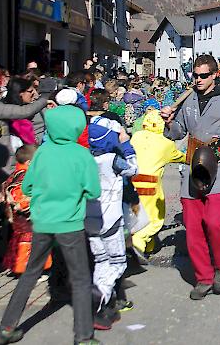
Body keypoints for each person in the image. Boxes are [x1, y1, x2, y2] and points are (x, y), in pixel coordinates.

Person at [0, 105, 102, 345]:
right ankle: (83, 336)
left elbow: (27, 188)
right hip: (70, 223)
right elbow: (94, 191)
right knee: (81, 278)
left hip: (42, 222)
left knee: (30, 274)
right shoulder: (81, 155)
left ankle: (5, 328)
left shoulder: (42, 153)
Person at [160, 55, 220, 300]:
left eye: (203, 75)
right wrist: (169, 122)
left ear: (214, 75)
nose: (198, 80)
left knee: (214, 222)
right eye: (195, 75)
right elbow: (177, 131)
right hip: (193, 166)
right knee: (192, 226)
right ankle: (203, 277)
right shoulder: (188, 99)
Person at [86, 113, 138, 330]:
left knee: (100, 261)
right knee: (117, 262)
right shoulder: (112, 160)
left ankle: (100, 301)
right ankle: (98, 297)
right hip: (111, 219)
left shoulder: (86, 157)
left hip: (89, 218)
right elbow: (133, 169)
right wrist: (127, 147)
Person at [130, 109, 186, 261]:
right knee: (155, 219)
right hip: (150, 184)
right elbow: (182, 158)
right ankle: (138, 242)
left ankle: (148, 247)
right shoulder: (166, 144)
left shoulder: (136, 136)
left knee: (138, 216)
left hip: (133, 181)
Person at [1, 145, 43, 275]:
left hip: (16, 218)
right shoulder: (24, 178)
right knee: (28, 242)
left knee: (18, 239)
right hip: (25, 217)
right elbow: (21, 198)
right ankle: (26, 270)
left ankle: (18, 266)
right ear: (29, 163)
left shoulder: (15, 174)